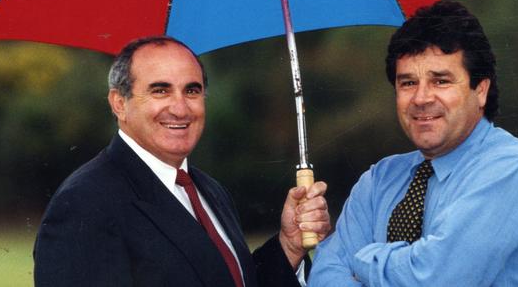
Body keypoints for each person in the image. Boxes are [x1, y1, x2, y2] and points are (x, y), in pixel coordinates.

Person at [33, 36, 330, 287]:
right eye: (160, 90)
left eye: (192, 90)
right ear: (119, 103)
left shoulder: (208, 190)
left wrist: (288, 246)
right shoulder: (85, 203)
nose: (179, 108)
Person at [309, 0, 518, 286]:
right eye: (407, 83)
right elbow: (324, 275)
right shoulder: (378, 181)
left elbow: (433, 279)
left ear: (480, 90)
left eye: (440, 81)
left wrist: (362, 260)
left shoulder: (512, 171)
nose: (421, 98)